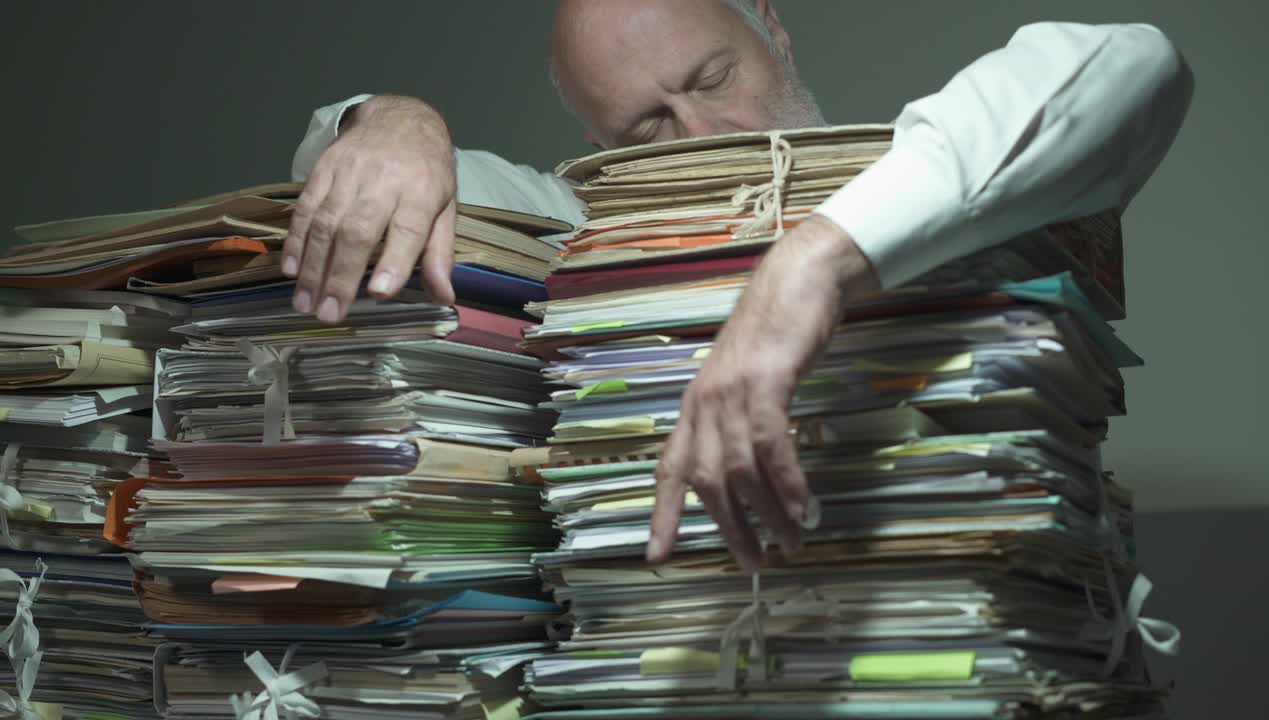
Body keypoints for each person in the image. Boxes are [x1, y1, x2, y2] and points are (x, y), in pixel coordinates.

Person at [285, 0, 1193, 573]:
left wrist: (810, 262)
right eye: (644, 127)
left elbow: (1135, 62)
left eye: (714, 78)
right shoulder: (585, 226)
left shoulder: (946, 170)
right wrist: (393, 120)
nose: (700, 133)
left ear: (772, 28)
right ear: (599, 146)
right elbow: (365, 185)